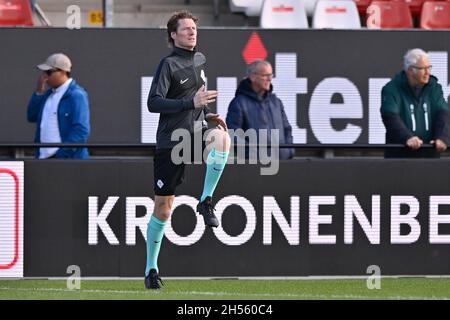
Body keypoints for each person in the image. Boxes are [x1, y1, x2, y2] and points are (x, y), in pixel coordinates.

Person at [145, 11, 230, 289]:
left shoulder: (198, 62)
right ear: (173, 34)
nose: (192, 32)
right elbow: (154, 103)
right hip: (171, 141)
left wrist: (208, 115)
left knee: (222, 138)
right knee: (163, 209)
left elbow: (196, 103)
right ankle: (151, 269)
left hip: (194, 134)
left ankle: (205, 201)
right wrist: (191, 104)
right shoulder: (167, 64)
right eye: (186, 29)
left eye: (194, 28)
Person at [381, 48, 449, 158]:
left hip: (430, 157)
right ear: (410, 70)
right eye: (423, 68)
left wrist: (442, 137)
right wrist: (407, 137)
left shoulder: (434, 88)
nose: (428, 72)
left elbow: (443, 114)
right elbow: (390, 117)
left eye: (429, 68)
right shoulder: (391, 89)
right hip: (400, 159)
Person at [226, 60, 294, 160]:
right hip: (255, 168)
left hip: (282, 164)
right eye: (265, 75)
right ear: (253, 77)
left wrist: (288, 152)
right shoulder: (238, 103)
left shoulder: (276, 102)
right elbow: (233, 134)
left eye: (271, 75)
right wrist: (253, 156)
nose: (270, 79)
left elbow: (287, 129)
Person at [27, 53, 90, 159]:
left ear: (63, 72)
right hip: (44, 157)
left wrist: (62, 155)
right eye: (44, 72)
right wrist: (39, 92)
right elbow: (31, 116)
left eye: (49, 72)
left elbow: (81, 130)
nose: (45, 76)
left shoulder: (76, 95)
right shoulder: (48, 94)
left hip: (65, 160)